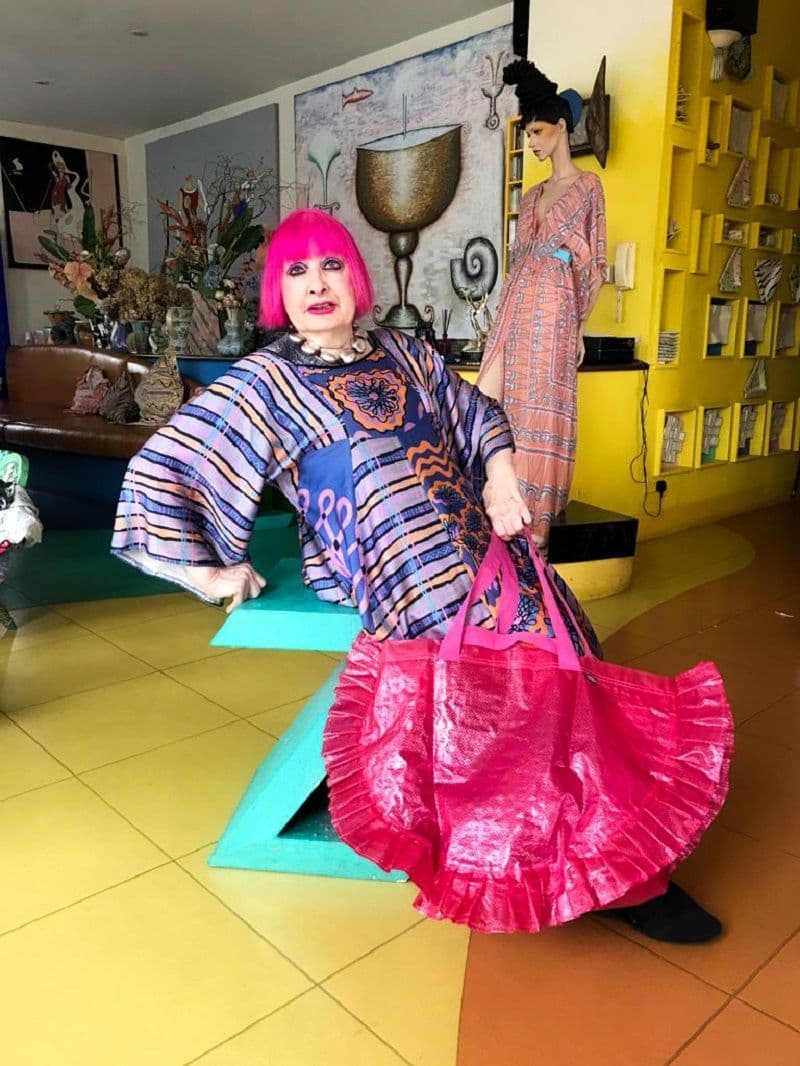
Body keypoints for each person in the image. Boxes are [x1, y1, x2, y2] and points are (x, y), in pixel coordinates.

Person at [112, 208, 725, 942]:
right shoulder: (264, 382)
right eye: (297, 272)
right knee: (502, 675)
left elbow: (477, 414)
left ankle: (611, 851)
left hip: (475, 539)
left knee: (561, 642)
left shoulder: (404, 352)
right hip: (387, 562)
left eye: (331, 265)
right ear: (279, 290)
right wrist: (212, 571)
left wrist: (501, 478)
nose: (317, 285)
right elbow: (165, 465)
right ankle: (554, 860)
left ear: (356, 277)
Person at [478, 60, 607, 548]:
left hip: (555, 307)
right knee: (491, 399)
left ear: (560, 128)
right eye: (527, 133)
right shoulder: (530, 196)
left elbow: (594, 265)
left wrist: (577, 327)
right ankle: (496, 503)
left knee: (540, 408)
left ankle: (538, 530)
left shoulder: (590, 186)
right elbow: (518, 257)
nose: (531, 141)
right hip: (517, 299)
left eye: (536, 131)